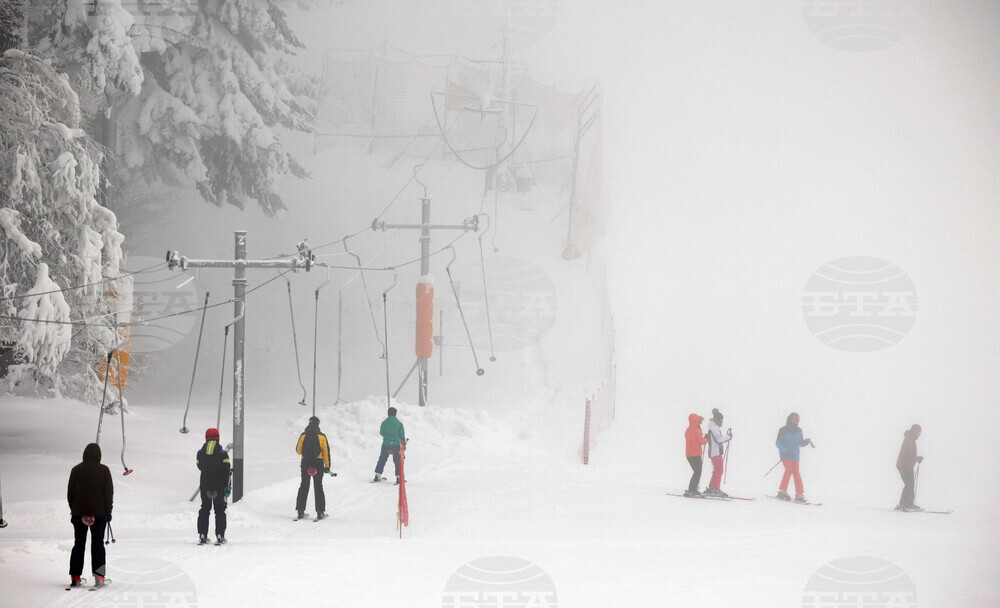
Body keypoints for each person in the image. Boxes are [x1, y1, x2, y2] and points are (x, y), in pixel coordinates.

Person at [67, 443, 113, 588]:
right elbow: (108, 494)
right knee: (98, 545)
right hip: (99, 514)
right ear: (99, 455)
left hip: (79, 514)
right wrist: (108, 511)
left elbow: (70, 493)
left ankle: (75, 577)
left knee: (79, 544)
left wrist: (74, 509)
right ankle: (99, 578)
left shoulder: (76, 470)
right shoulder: (104, 471)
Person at [196, 428, 231, 544]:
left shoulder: (200, 453)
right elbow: (226, 471)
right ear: (218, 437)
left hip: (205, 485)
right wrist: (227, 486)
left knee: (205, 509)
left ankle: (202, 535)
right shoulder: (223, 454)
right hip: (219, 486)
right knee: (219, 510)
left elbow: (199, 466)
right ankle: (220, 535)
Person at [295, 416, 331, 520]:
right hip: (318, 463)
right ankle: (320, 512)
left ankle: (300, 511)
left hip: (305, 462)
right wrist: (327, 466)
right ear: (318, 424)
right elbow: (326, 453)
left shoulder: (303, 435)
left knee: (304, 486)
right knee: (318, 487)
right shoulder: (322, 437)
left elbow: (298, 450)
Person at [775, 412, 812, 502]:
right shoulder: (783, 430)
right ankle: (782, 491)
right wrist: (785, 450)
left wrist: (805, 443)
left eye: (797, 419)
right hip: (786, 455)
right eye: (794, 419)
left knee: (796, 472)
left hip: (795, 455)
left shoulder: (799, 430)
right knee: (789, 470)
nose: (796, 421)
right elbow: (778, 443)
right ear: (790, 419)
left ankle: (799, 494)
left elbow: (800, 443)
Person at [373, 407, 406, 485]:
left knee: (382, 459)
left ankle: (378, 475)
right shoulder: (399, 424)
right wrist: (403, 446)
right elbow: (402, 436)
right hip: (396, 445)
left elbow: (381, 433)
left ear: (388, 413)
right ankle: (398, 477)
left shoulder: (384, 423)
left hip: (386, 445)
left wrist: (387, 437)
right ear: (395, 414)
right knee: (397, 461)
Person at [896, 424, 924, 511]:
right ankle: (907, 504)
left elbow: (909, 454)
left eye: (920, 432)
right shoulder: (909, 440)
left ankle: (904, 504)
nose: (919, 433)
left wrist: (916, 458)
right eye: (918, 431)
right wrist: (916, 458)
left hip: (905, 465)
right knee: (910, 484)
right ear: (914, 431)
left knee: (909, 484)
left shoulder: (910, 439)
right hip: (905, 465)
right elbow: (907, 454)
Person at [704, 408, 732, 497]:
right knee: (719, 471)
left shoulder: (713, 427)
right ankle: (715, 489)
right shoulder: (714, 428)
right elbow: (719, 439)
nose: (722, 422)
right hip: (715, 452)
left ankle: (712, 487)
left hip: (714, 452)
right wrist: (728, 437)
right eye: (721, 420)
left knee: (717, 470)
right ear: (717, 420)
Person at [684, 413, 708, 496]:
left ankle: (691, 489)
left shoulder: (688, 429)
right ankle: (692, 490)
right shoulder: (696, 429)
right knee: (698, 472)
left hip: (689, 454)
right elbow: (701, 442)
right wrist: (706, 439)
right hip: (696, 453)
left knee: (696, 472)